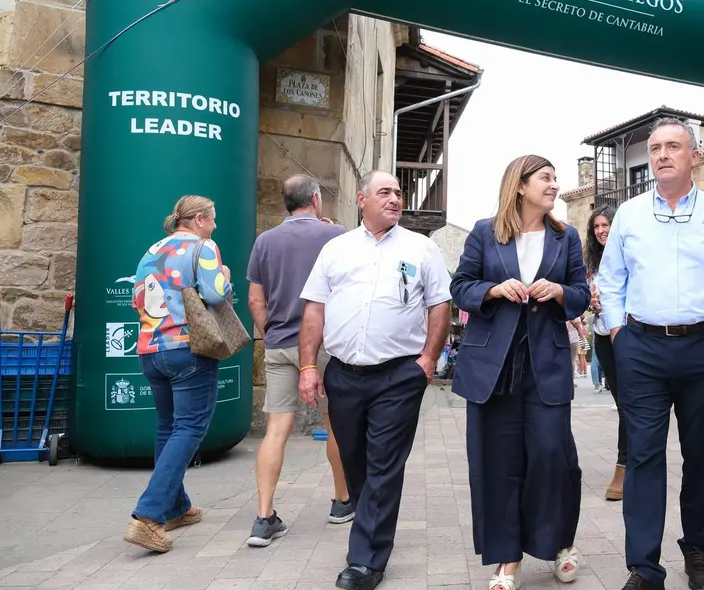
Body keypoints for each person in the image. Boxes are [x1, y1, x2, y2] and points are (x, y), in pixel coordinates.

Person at [596, 117, 704, 590]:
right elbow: (611, 278)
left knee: (702, 454)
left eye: (673, 146)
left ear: (694, 156)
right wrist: (618, 330)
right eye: (655, 147)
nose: (661, 154)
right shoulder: (629, 215)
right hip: (641, 347)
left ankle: (697, 550)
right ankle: (644, 566)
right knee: (643, 455)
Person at [298, 170, 452, 590]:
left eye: (399, 193)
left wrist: (427, 361)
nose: (395, 198)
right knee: (354, 459)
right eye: (385, 192)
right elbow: (314, 310)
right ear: (361, 199)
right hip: (345, 374)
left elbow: (440, 305)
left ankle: (365, 560)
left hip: (399, 375)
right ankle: (372, 525)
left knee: (385, 463)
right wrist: (309, 367)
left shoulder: (421, 249)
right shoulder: (336, 249)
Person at [451, 154, 590, 590]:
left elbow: (582, 295)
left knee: (553, 457)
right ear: (520, 185)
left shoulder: (565, 238)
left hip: (546, 366)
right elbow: (460, 285)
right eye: (545, 178)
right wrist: (492, 288)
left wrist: (560, 291)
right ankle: (505, 563)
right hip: (494, 368)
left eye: (555, 178)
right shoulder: (484, 232)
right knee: (496, 463)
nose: (554, 185)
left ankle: (558, 544)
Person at [245, 175, 353, 548]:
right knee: (334, 422)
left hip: (278, 345)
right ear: (316, 199)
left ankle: (263, 517)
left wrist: (270, 332)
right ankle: (342, 502)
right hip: (323, 345)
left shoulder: (265, 241)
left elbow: (255, 300)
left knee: (276, 429)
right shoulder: (335, 235)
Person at [124, 195, 231, 553]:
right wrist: (226, 279)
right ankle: (149, 517)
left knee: (168, 427)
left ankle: (176, 507)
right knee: (189, 428)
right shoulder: (203, 246)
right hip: (189, 348)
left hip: (150, 350)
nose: (215, 226)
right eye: (212, 219)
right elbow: (217, 296)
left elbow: (136, 300)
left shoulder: (151, 250)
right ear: (199, 219)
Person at [584, 205, 626, 501]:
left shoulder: (629, 254)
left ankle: (624, 466)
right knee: (624, 403)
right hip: (602, 337)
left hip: (627, 335)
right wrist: (591, 300)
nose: (601, 230)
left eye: (606, 224)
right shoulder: (592, 263)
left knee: (629, 403)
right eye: (597, 226)